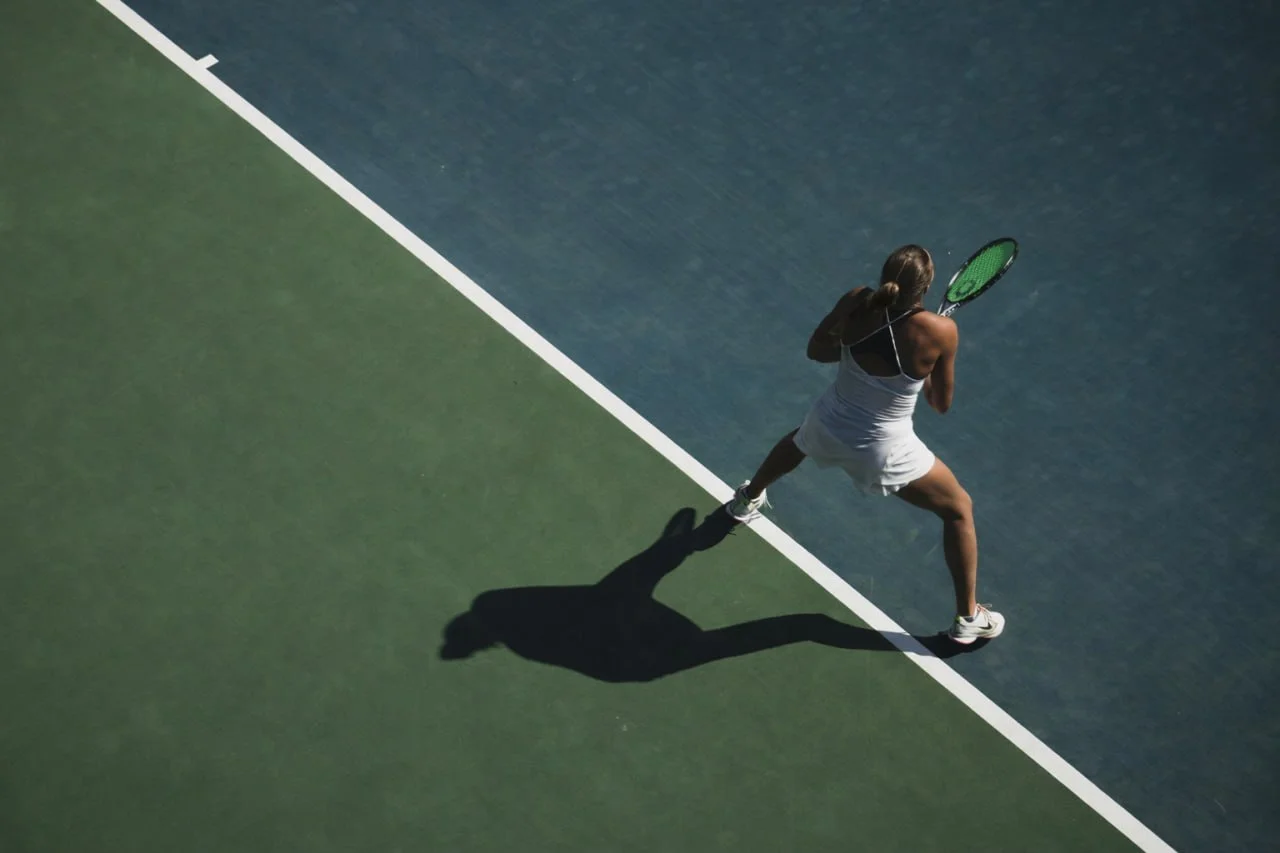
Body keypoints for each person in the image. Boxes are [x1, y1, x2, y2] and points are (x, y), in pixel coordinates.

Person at [724, 244, 1004, 645]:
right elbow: (940, 404)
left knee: (799, 441)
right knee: (959, 510)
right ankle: (968, 619)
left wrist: (856, 347)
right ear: (927, 285)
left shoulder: (857, 300)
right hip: (883, 451)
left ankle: (745, 499)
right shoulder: (941, 331)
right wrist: (920, 369)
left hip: (828, 421)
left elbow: (816, 351)